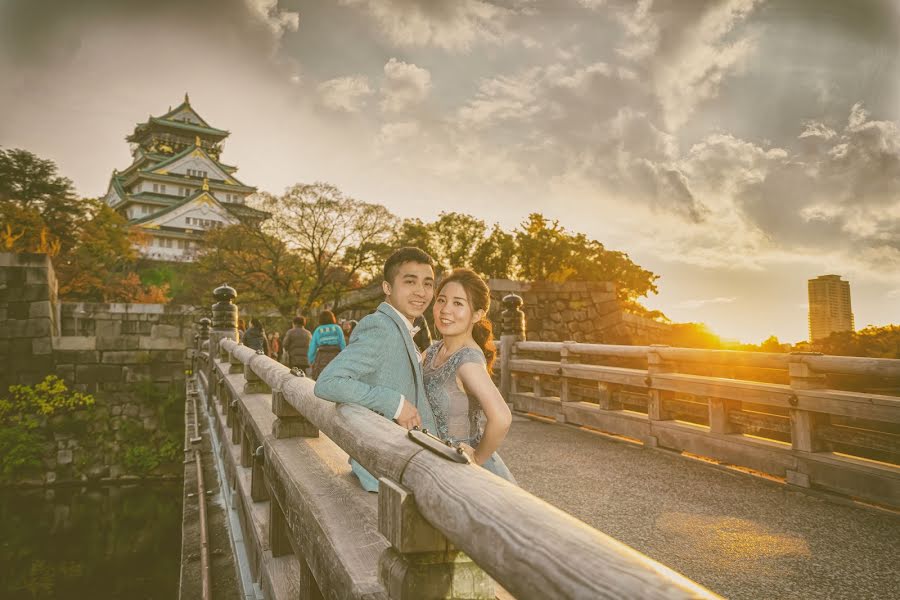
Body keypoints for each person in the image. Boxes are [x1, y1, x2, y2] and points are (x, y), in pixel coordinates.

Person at [315, 247, 437, 492]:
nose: (421, 292)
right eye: (410, 282)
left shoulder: (401, 328)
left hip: (407, 465)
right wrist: (394, 403)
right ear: (387, 288)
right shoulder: (380, 326)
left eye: (428, 284)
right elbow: (328, 382)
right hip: (392, 474)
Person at [425, 268, 516, 483]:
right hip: (436, 465)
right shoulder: (433, 350)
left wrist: (477, 457)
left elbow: (502, 418)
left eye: (458, 303)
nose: (445, 310)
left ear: (477, 314)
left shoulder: (467, 362)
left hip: (465, 472)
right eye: (441, 300)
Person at [307, 310, 346, 379]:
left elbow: (312, 346)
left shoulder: (318, 330)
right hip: (336, 356)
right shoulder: (337, 328)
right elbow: (342, 344)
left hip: (322, 357)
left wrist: (311, 360)